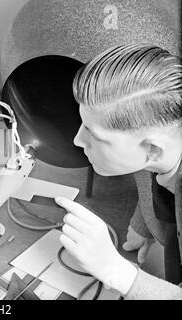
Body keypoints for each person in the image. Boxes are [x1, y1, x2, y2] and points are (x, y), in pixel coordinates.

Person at [54, 43, 182, 299]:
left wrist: (115, 271)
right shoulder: (154, 151)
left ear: (153, 149)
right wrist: (146, 224)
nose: (78, 140)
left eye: (93, 133)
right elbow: (148, 175)